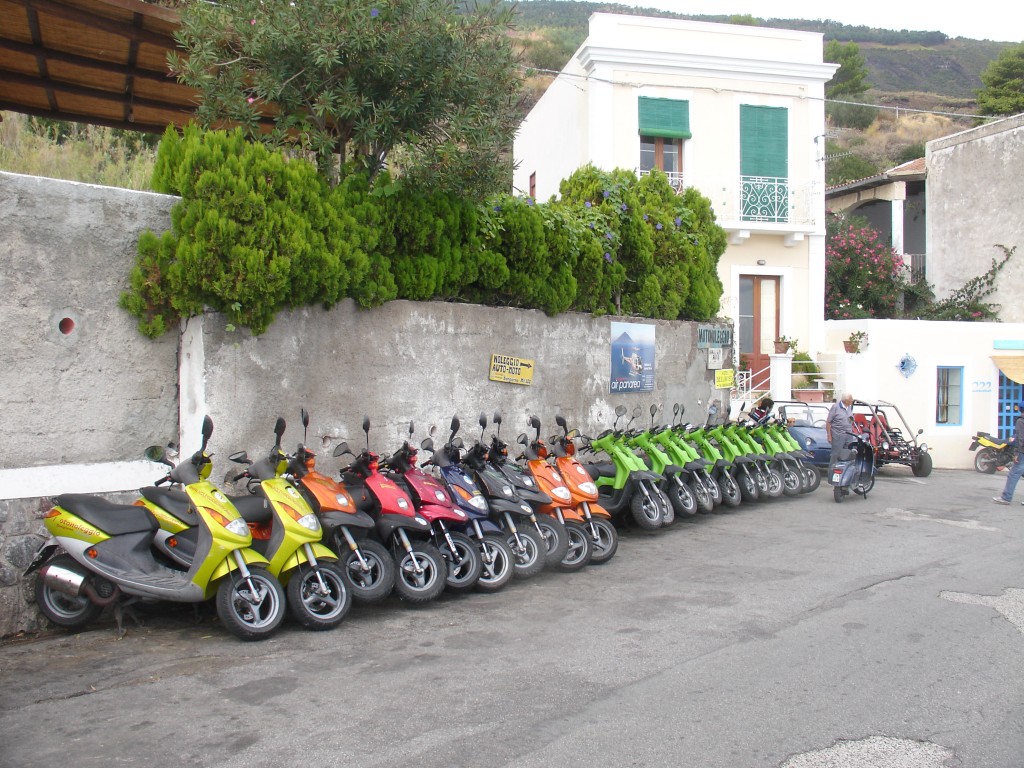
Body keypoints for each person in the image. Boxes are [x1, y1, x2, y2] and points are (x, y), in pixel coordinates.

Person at [993, 400, 1024, 504]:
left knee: (1014, 474)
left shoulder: (1020, 421)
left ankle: (1006, 497)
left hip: (1022, 452)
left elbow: (1020, 438)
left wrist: (1016, 453)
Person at [825, 393, 855, 474]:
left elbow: (850, 419)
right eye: (851, 399)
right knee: (836, 455)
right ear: (846, 400)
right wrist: (829, 435)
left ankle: (845, 473)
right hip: (838, 435)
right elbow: (828, 422)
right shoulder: (835, 407)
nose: (852, 401)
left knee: (848, 454)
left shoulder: (849, 407)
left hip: (848, 435)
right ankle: (831, 473)